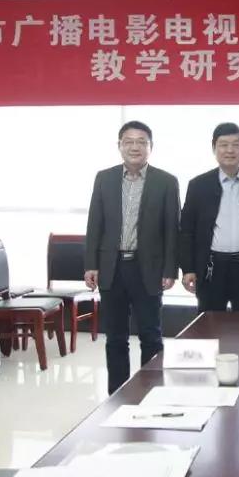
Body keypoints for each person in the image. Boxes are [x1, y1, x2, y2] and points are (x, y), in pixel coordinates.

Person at [84, 121, 180, 395]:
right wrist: (91, 264)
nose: (135, 147)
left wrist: (170, 269)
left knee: (151, 335)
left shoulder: (166, 181)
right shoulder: (104, 178)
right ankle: (118, 395)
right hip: (111, 267)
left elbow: (172, 229)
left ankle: (151, 392)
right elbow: (95, 224)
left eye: (141, 142)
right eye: (129, 141)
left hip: (147, 268)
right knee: (115, 337)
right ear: (120, 146)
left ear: (150, 147)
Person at [179, 122, 239, 311]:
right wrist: (188, 268)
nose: (230, 150)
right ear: (214, 149)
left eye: (236, 144)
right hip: (211, 268)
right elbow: (187, 230)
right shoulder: (198, 185)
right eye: (223, 145)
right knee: (209, 323)